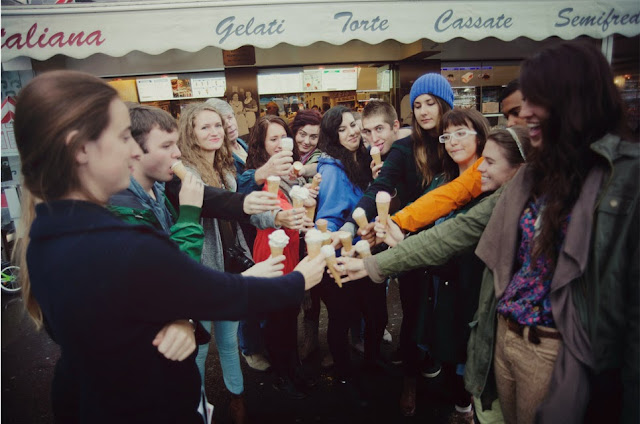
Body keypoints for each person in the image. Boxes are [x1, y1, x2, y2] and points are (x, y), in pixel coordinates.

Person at [14, 70, 327, 424]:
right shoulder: (121, 242)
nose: (134, 150)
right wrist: (299, 279)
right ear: (81, 148)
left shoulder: (46, 232)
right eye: (123, 137)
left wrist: (178, 318)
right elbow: (217, 294)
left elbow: (123, 316)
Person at [468, 40, 638, 424]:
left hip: (553, 350)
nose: (525, 112)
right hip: (507, 336)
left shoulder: (625, 176)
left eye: (537, 100)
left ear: (573, 101)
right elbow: (468, 228)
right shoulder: (540, 168)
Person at [336, 126, 531, 424]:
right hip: (483, 309)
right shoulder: (466, 185)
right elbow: (444, 225)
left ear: (521, 167)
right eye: (447, 135)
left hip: (525, 330)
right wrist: (392, 234)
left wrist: (379, 258)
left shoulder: (521, 199)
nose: (481, 168)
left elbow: (450, 237)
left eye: (490, 162)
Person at [338, 73, 454, 417]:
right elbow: (380, 188)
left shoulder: (456, 141)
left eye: (430, 103)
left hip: (453, 242)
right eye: (417, 105)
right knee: (413, 310)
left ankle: (456, 386)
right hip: (409, 243)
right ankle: (410, 381)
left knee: (450, 312)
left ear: (445, 104)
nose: (423, 110)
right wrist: (352, 223)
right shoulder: (405, 148)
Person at [178, 102, 289, 423]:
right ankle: (198, 409)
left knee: (228, 342)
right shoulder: (184, 174)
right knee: (199, 349)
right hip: (200, 271)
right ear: (190, 133)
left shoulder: (226, 170)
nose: (215, 131)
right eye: (205, 127)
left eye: (217, 125)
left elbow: (243, 212)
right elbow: (220, 206)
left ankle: (237, 398)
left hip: (231, 266)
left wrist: (276, 217)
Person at [244, 115, 316, 399]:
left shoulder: (291, 170)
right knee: (276, 319)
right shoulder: (257, 175)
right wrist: (284, 215)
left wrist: (307, 196)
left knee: (289, 314)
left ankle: (293, 368)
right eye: (272, 139)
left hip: (292, 248)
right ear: (261, 143)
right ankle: (282, 375)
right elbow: (258, 213)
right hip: (271, 250)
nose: (279, 144)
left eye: (283, 137)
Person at [315, 106, 388, 383]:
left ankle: (371, 364)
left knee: (376, 316)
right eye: (342, 129)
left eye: (353, 124)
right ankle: (345, 375)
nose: (351, 132)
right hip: (344, 256)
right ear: (333, 136)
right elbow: (328, 218)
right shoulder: (333, 169)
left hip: (369, 251)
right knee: (342, 318)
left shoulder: (365, 158)